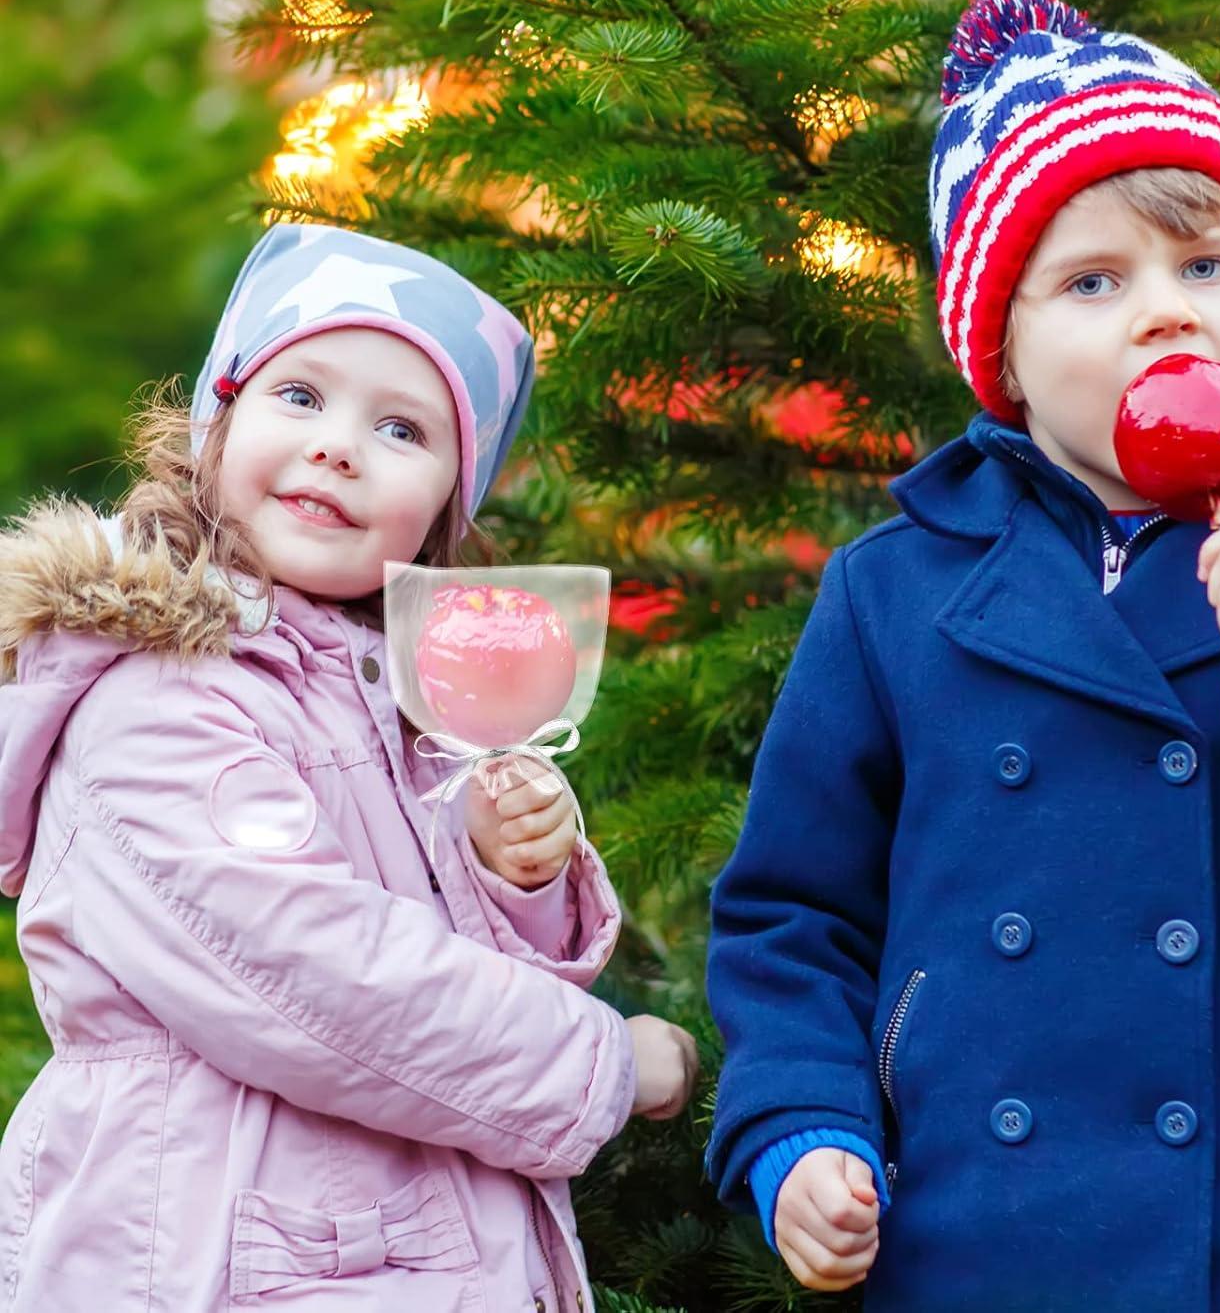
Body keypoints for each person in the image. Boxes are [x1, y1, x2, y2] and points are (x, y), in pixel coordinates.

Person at [704, 0, 1220, 1311]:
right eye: (1093, 280)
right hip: (977, 1242)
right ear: (1002, 353)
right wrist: (801, 1134)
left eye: (1206, 265)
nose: (1165, 311)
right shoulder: (896, 594)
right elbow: (795, 912)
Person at [0, 223, 697, 1313]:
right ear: (214, 430)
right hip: (227, 1259)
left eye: (402, 428)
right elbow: (312, 976)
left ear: (444, 510)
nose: (339, 447)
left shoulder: (412, 705)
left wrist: (511, 872)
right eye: (300, 397)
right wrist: (607, 1066)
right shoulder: (159, 691)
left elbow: (447, 952)